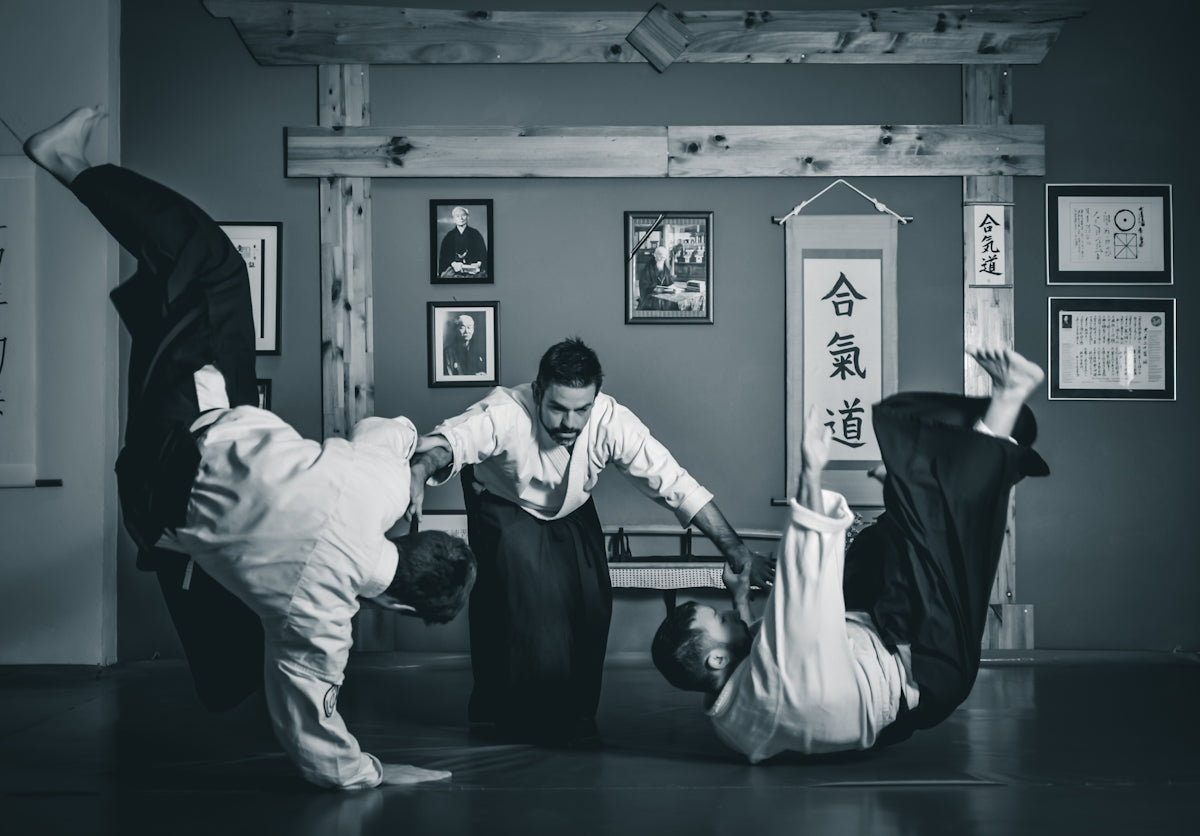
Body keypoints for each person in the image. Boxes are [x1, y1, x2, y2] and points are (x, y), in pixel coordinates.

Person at [24, 106, 477, 789]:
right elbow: (313, 729)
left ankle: (67, 163)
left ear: (416, 534)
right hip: (160, 498)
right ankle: (223, 657)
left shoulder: (379, 489)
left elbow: (392, 431)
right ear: (399, 606)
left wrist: (413, 470)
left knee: (215, 271)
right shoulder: (325, 624)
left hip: (192, 429)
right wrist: (376, 774)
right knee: (254, 632)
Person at [651, 347, 1050, 760]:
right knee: (941, 526)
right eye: (720, 620)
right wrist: (810, 473)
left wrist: (738, 598)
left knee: (876, 544)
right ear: (716, 657)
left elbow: (759, 653)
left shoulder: (732, 720)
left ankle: (907, 497)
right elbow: (799, 590)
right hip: (928, 665)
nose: (730, 615)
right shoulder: (773, 684)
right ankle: (1007, 397)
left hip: (869, 640)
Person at [405, 337, 774, 745]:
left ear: (595, 398)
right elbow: (450, 443)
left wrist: (738, 553)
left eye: (581, 409)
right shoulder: (505, 411)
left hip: (571, 504)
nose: (570, 422)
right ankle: (507, 715)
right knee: (523, 603)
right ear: (538, 391)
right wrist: (420, 469)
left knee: (592, 603)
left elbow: (677, 485)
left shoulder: (612, 421)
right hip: (504, 503)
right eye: (558, 408)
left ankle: (575, 714)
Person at [437, 205, 488, 279]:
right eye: (457, 216)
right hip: (454, 270)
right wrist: (453, 263)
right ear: (454, 219)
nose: (461, 218)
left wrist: (478, 264)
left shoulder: (475, 234)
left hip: (474, 270)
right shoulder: (449, 236)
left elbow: (482, 254)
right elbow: (444, 256)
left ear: (468, 217)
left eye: (463, 215)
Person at [636, 245, 675, 311]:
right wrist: (655, 288)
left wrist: (672, 287)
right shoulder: (647, 269)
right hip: (650, 299)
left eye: (664, 257)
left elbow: (670, 282)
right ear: (655, 255)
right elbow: (643, 285)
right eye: (660, 256)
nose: (662, 258)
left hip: (664, 297)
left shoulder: (665, 269)